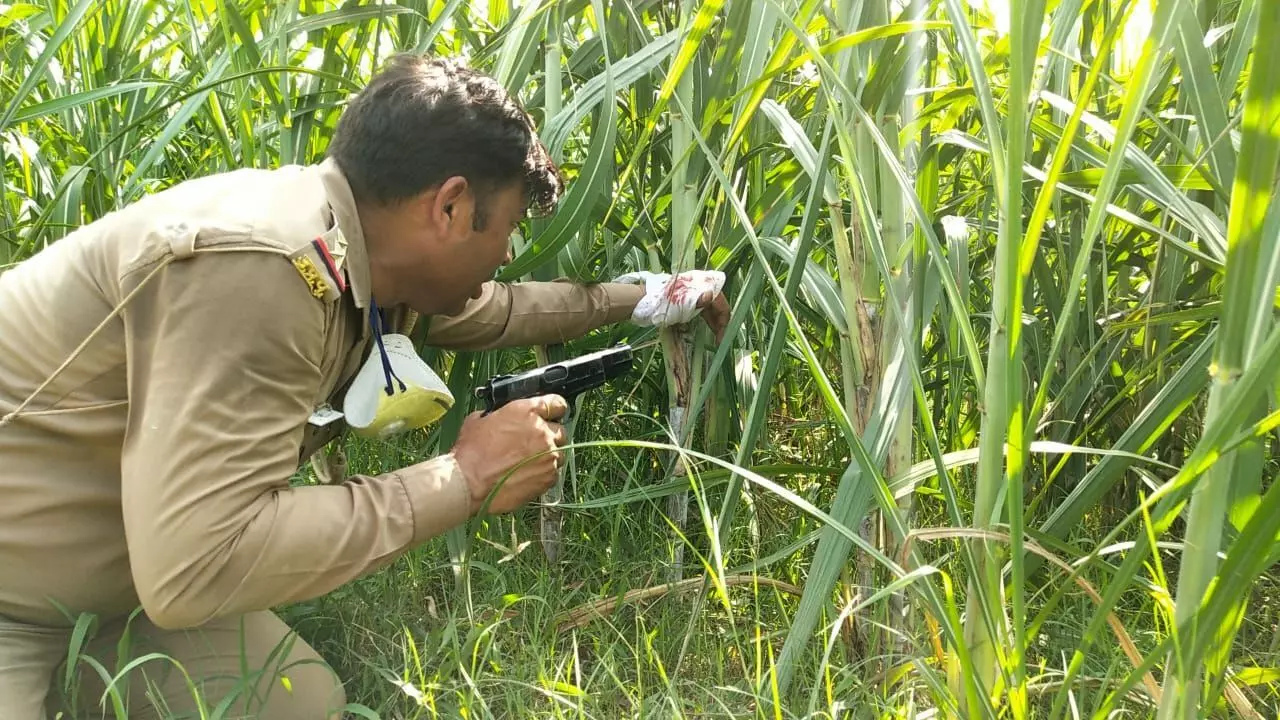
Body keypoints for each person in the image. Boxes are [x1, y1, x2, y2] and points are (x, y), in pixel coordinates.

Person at [0, 54, 729, 719]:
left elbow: (495, 308)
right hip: (17, 601)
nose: (506, 254)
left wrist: (642, 298)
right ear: (447, 207)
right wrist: (463, 477)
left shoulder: (356, 251)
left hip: (112, 594)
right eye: (502, 230)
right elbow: (196, 566)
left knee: (297, 701)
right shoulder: (258, 268)